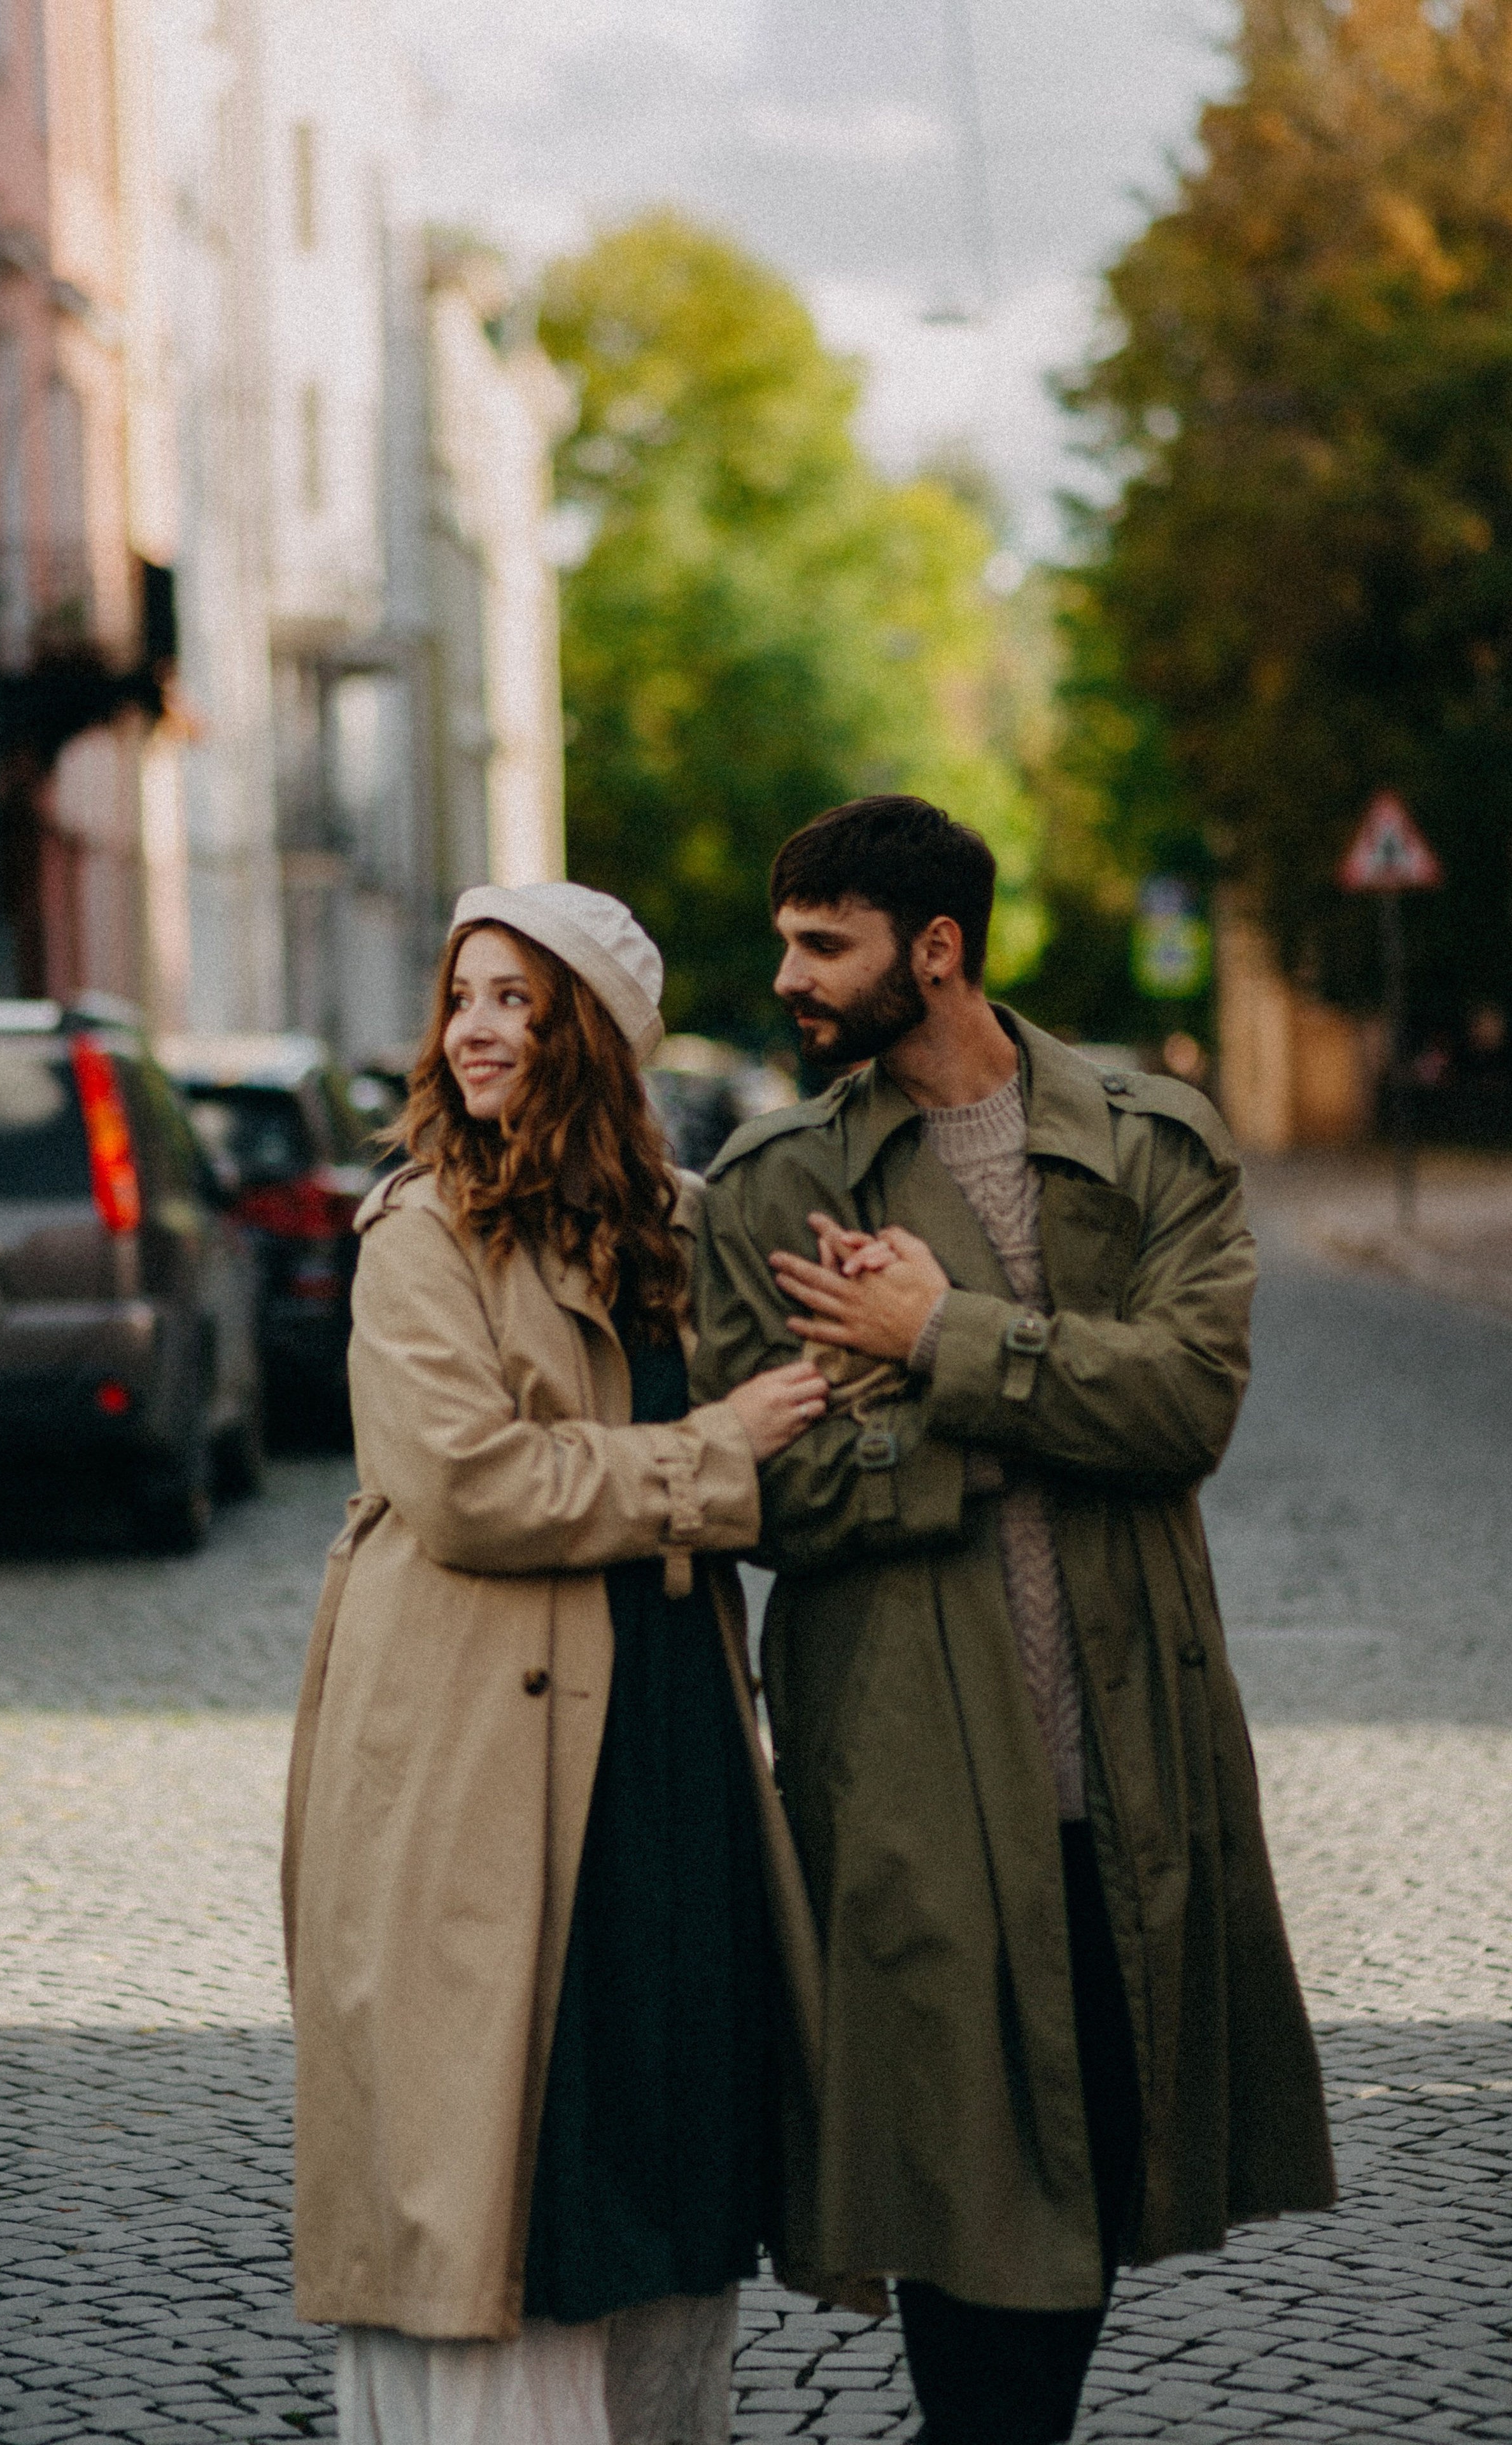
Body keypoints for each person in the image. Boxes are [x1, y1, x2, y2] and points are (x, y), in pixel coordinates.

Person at [691, 796, 1337, 2445]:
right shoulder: (777, 1187)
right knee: (968, 2219)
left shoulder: (1151, 1143)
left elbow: (1185, 1405)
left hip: (1127, 1771)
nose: (789, 977)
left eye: (821, 942)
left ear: (938, 948)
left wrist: (938, 1335)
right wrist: (969, 1429)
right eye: (785, 941)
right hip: (906, 1777)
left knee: (1095, 2187)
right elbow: (756, 1478)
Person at [281, 881, 833, 2445]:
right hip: (466, 1749)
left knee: (658, 2134)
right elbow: (468, 1483)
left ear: (588, 1034)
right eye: (464, 995)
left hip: (658, 1742)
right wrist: (703, 1460)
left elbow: (792, 1423)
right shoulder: (418, 1229)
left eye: (519, 1000)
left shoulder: (681, 1224)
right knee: (493, 2165)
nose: (476, 1027)